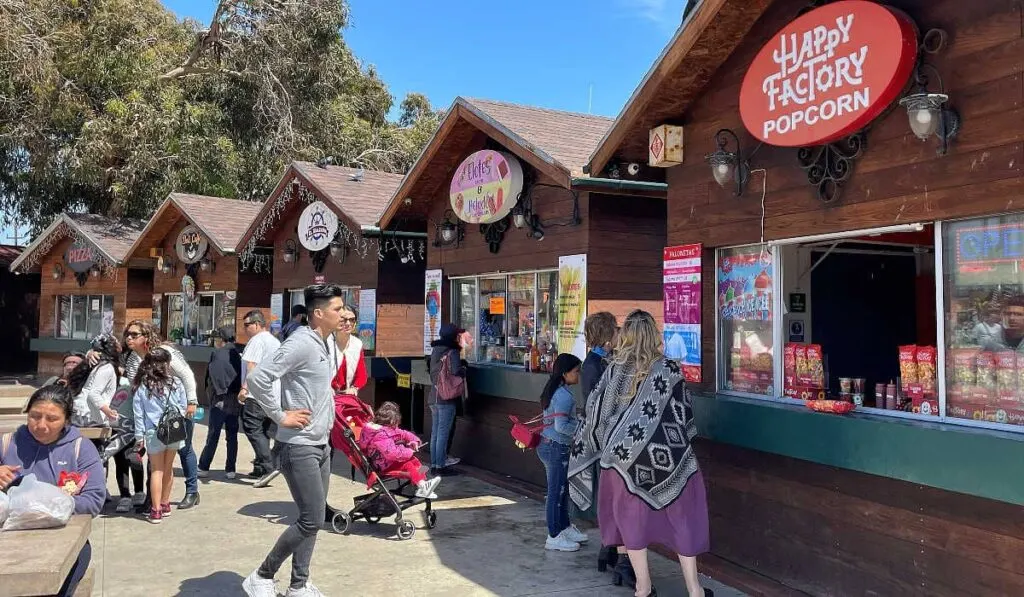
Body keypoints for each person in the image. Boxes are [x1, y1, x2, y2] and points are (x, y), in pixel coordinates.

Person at [569, 310, 710, 597]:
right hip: (669, 460)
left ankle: (643, 588)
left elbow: (597, 413)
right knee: (683, 519)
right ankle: (694, 590)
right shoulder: (669, 368)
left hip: (621, 461)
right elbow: (683, 414)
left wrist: (598, 446)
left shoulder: (614, 369)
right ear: (653, 334)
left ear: (628, 335)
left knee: (630, 522)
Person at [242, 284, 344, 597]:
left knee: (310, 518)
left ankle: (298, 585)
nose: (343, 314)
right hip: (297, 445)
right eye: (338, 309)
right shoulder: (301, 342)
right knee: (313, 518)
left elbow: (322, 387)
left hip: (320, 443)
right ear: (318, 313)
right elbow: (258, 378)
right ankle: (262, 574)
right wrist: (279, 414)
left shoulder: (324, 343)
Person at [0, 385, 106, 596]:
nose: (41, 425)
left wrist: (48, 503)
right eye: (34, 416)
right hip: (8, 546)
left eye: (52, 419)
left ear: (66, 421)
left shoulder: (80, 448)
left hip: (62, 545)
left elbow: (94, 500)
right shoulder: (7, 444)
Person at [119, 320, 201, 510]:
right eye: (127, 335)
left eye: (134, 334)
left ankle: (192, 491)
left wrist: (191, 401)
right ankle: (154, 499)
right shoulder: (133, 359)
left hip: (177, 409)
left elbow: (187, 375)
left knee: (184, 448)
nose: (129, 338)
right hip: (153, 417)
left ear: (146, 336)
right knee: (155, 459)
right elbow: (135, 387)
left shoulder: (164, 352)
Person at [579, 312, 630, 576]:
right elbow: (598, 405)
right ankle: (613, 548)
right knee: (612, 498)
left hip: (606, 439)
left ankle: (610, 547)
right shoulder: (594, 365)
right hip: (604, 440)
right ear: (607, 334)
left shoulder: (599, 362)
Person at [131, 348, 188, 524]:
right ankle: (165, 503)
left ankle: (155, 511)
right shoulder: (176, 383)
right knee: (169, 467)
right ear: (167, 364)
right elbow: (183, 407)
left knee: (156, 470)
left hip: (153, 432)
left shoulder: (143, 386)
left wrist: (139, 437)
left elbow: (138, 414)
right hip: (174, 430)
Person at [537, 353, 587, 552]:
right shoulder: (564, 395)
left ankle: (563, 527)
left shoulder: (556, 390)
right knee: (556, 492)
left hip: (550, 445)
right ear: (565, 373)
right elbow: (561, 426)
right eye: (576, 371)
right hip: (556, 447)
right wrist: (581, 429)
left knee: (561, 491)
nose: (579, 375)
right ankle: (554, 535)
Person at [357, 401, 441, 499]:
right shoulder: (380, 436)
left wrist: (414, 441)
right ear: (391, 422)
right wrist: (409, 451)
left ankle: (422, 485)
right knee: (408, 463)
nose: (397, 427)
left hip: (388, 461)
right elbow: (393, 454)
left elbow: (404, 433)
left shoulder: (387, 429)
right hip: (383, 465)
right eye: (396, 424)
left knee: (414, 462)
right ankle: (422, 485)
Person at [237, 310, 282, 488]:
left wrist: (244, 388)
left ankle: (268, 466)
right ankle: (259, 466)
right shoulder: (274, 341)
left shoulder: (257, 341)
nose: (245, 328)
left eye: (247, 325)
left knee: (252, 429)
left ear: (257, 324)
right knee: (263, 431)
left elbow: (252, 366)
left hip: (256, 394)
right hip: (272, 394)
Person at [199, 327, 243, 480]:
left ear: (221, 340)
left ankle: (204, 466)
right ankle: (231, 469)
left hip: (220, 399)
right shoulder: (238, 353)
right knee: (232, 435)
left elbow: (212, 376)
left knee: (213, 434)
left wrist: (215, 393)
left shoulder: (217, 354)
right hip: (235, 399)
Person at [428, 323, 468, 474]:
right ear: (454, 336)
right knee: (443, 433)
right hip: (447, 398)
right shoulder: (452, 352)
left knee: (435, 433)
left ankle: (434, 465)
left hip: (434, 396)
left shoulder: (436, 351)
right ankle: (440, 466)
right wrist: (464, 368)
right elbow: (457, 370)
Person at [69, 334, 122, 427]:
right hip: (89, 417)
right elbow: (93, 394)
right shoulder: (107, 368)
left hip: (80, 413)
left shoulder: (94, 364)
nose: (119, 344)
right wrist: (108, 412)